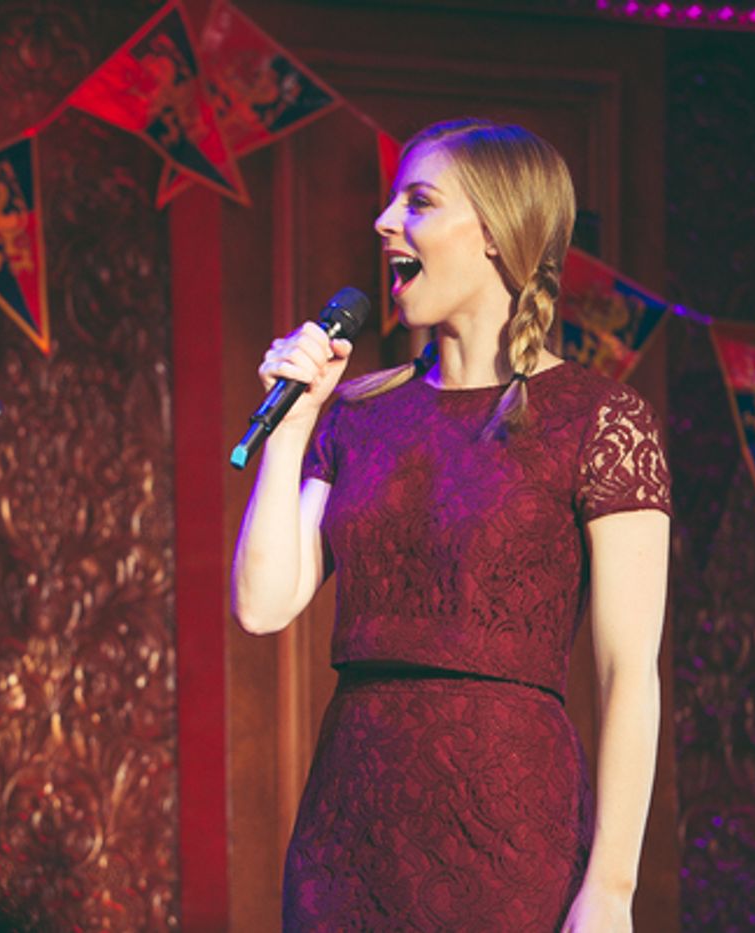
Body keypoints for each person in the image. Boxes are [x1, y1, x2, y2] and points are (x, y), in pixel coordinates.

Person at [231, 118, 670, 931]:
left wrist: (612, 888)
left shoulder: (600, 420)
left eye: (420, 202)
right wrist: (294, 424)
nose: (385, 221)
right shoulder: (361, 416)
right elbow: (262, 605)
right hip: (347, 837)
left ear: (500, 237)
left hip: (510, 838)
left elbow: (627, 674)